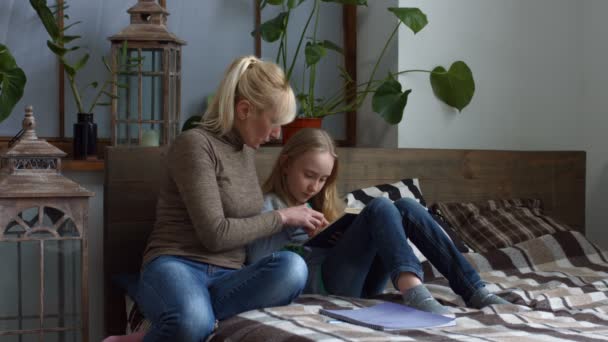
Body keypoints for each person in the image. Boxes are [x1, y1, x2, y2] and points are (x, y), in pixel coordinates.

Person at [104, 56, 329, 342]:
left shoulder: (246, 151)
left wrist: (297, 230)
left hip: (229, 277)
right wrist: (283, 217)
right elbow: (215, 234)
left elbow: (248, 231)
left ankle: (182, 323)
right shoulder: (195, 144)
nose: (277, 134)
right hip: (177, 264)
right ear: (244, 109)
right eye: (274, 123)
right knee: (193, 322)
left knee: (293, 268)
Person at [247, 128, 511, 316]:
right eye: (308, 175)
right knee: (380, 206)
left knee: (406, 207)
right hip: (325, 286)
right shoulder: (269, 205)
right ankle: (414, 292)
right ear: (285, 164)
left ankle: (474, 289)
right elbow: (256, 261)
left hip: (360, 283)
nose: (314, 186)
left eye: (322, 179)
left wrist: (334, 236)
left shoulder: (318, 204)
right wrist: (288, 223)